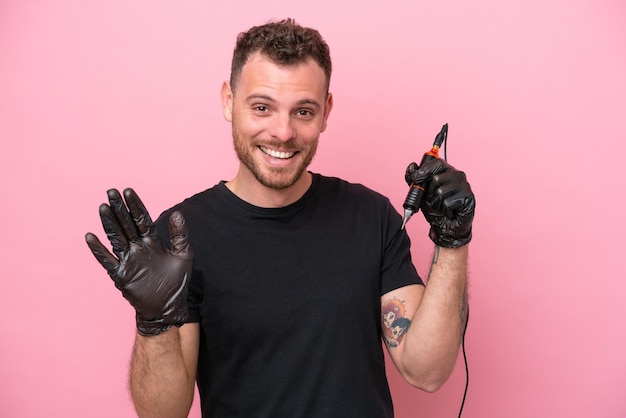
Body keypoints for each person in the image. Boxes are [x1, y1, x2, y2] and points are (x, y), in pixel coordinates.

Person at [85, 18, 475, 418]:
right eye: (261, 107)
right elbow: (162, 414)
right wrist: (154, 324)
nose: (283, 132)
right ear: (227, 100)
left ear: (325, 112)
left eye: (303, 111)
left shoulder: (371, 216)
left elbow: (427, 371)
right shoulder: (180, 236)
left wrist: (452, 241)